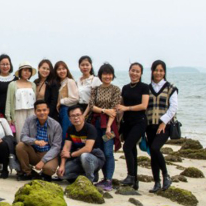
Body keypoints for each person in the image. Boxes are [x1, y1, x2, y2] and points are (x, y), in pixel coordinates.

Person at [145, 60, 179, 193]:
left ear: (164, 72)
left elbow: (174, 107)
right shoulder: (147, 88)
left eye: (161, 70)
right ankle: (157, 183)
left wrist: (163, 121)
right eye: (156, 70)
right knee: (153, 154)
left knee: (154, 148)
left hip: (165, 126)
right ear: (152, 71)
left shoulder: (171, 88)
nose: (158, 73)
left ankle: (166, 176)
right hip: (150, 126)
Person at [89, 62, 122, 192]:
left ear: (113, 75)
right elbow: (91, 106)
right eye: (104, 74)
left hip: (109, 125)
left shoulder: (115, 90)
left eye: (109, 74)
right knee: (99, 151)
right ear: (100, 75)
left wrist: (108, 127)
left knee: (108, 152)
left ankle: (108, 180)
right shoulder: (95, 89)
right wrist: (103, 111)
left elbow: (114, 110)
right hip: (96, 123)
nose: (107, 76)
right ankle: (102, 178)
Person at [118, 62, 150, 191]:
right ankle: (135, 181)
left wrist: (127, 108)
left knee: (127, 147)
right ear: (129, 71)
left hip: (139, 122)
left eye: (137, 71)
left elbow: (144, 105)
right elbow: (121, 106)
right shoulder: (125, 88)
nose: (134, 73)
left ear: (141, 73)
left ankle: (130, 176)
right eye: (133, 70)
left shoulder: (144, 87)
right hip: (127, 123)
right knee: (132, 150)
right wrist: (118, 121)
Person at [15, 100, 63, 181]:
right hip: (34, 152)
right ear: (34, 111)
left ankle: (44, 174)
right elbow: (23, 137)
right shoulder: (29, 120)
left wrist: (43, 161)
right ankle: (28, 172)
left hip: (49, 154)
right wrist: (35, 141)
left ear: (48, 110)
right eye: (39, 110)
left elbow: (56, 147)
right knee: (20, 146)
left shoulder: (56, 125)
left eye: (44, 110)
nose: (42, 113)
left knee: (49, 169)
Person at [56, 105, 105, 183]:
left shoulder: (90, 128)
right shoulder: (70, 129)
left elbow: (88, 149)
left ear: (83, 116)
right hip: (78, 158)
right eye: (73, 116)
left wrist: (71, 154)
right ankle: (86, 175)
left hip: (95, 157)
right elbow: (66, 148)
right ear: (69, 119)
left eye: (78, 115)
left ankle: (90, 179)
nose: (76, 118)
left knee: (84, 155)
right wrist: (62, 166)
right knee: (62, 175)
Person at [6, 61, 37, 140]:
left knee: (32, 133)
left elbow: (35, 100)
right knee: (20, 134)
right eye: (25, 70)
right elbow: (9, 101)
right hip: (18, 112)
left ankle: (31, 151)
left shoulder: (33, 85)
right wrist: (8, 117)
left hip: (32, 112)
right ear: (20, 72)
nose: (27, 72)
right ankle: (20, 151)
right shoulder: (13, 84)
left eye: (29, 70)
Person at [55, 60, 80, 132]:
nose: (62, 71)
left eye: (63, 69)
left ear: (67, 70)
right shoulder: (60, 82)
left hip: (67, 110)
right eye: (59, 69)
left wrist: (61, 102)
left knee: (66, 133)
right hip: (62, 111)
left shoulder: (70, 81)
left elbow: (75, 99)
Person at [0, 54, 15, 118]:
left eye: (7, 64)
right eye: (3, 64)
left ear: (10, 65)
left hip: (13, 111)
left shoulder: (15, 78)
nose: (5, 66)